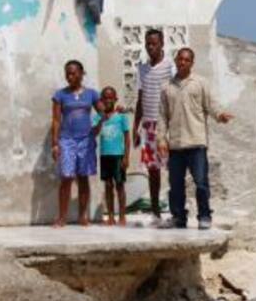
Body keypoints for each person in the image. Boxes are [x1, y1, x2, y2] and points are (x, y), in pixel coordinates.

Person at [156, 47, 233, 229]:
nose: (182, 62)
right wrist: (161, 139)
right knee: (175, 185)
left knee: (201, 183)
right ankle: (179, 217)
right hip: (175, 145)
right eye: (180, 59)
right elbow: (162, 116)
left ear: (192, 62)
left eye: (186, 60)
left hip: (196, 142)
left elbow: (211, 105)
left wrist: (220, 115)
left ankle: (204, 216)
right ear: (176, 61)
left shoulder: (200, 83)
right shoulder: (166, 87)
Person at [51, 60, 100, 227]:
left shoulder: (92, 94)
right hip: (67, 140)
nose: (69, 76)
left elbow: (103, 112)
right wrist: (55, 143)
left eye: (72, 73)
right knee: (66, 177)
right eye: (67, 73)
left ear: (81, 73)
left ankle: (82, 216)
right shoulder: (60, 95)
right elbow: (56, 120)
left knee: (83, 177)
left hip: (86, 141)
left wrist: (97, 128)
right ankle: (62, 217)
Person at [133, 29, 174, 223]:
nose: (150, 47)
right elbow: (140, 99)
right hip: (148, 126)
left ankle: (176, 210)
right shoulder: (142, 69)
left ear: (162, 44)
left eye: (154, 44)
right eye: (148, 44)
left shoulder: (170, 67)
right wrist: (136, 127)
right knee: (153, 170)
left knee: (174, 168)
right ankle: (155, 211)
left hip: (167, 125)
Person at [92, 86, 130, 226]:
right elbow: (94, 133)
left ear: (115, 99)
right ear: (101, 100)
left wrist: (126, 156)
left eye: (110, 98)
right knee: (108, 186)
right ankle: (111, 216)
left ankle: (122, 215)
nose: (108, 100)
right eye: (105, 98)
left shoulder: (121, 117)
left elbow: (127, 138)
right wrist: (101, 120)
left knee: (120, 185)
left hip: (118, 155)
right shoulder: (98, 117)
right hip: (105, 155)